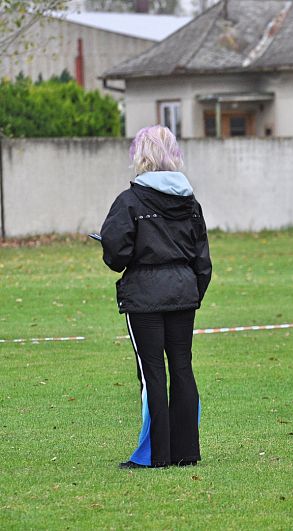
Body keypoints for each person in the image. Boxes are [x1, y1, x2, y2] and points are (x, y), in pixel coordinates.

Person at [100, 125, 212, 469]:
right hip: (182, 291)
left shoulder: (130, 201)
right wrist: (192, 291)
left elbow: (116, 254)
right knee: (182, 368)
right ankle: (186, 452)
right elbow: (202, 258)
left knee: (152, 373)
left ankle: (155, 454)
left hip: (145, 295)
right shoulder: (189, 201)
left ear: (140, 155)